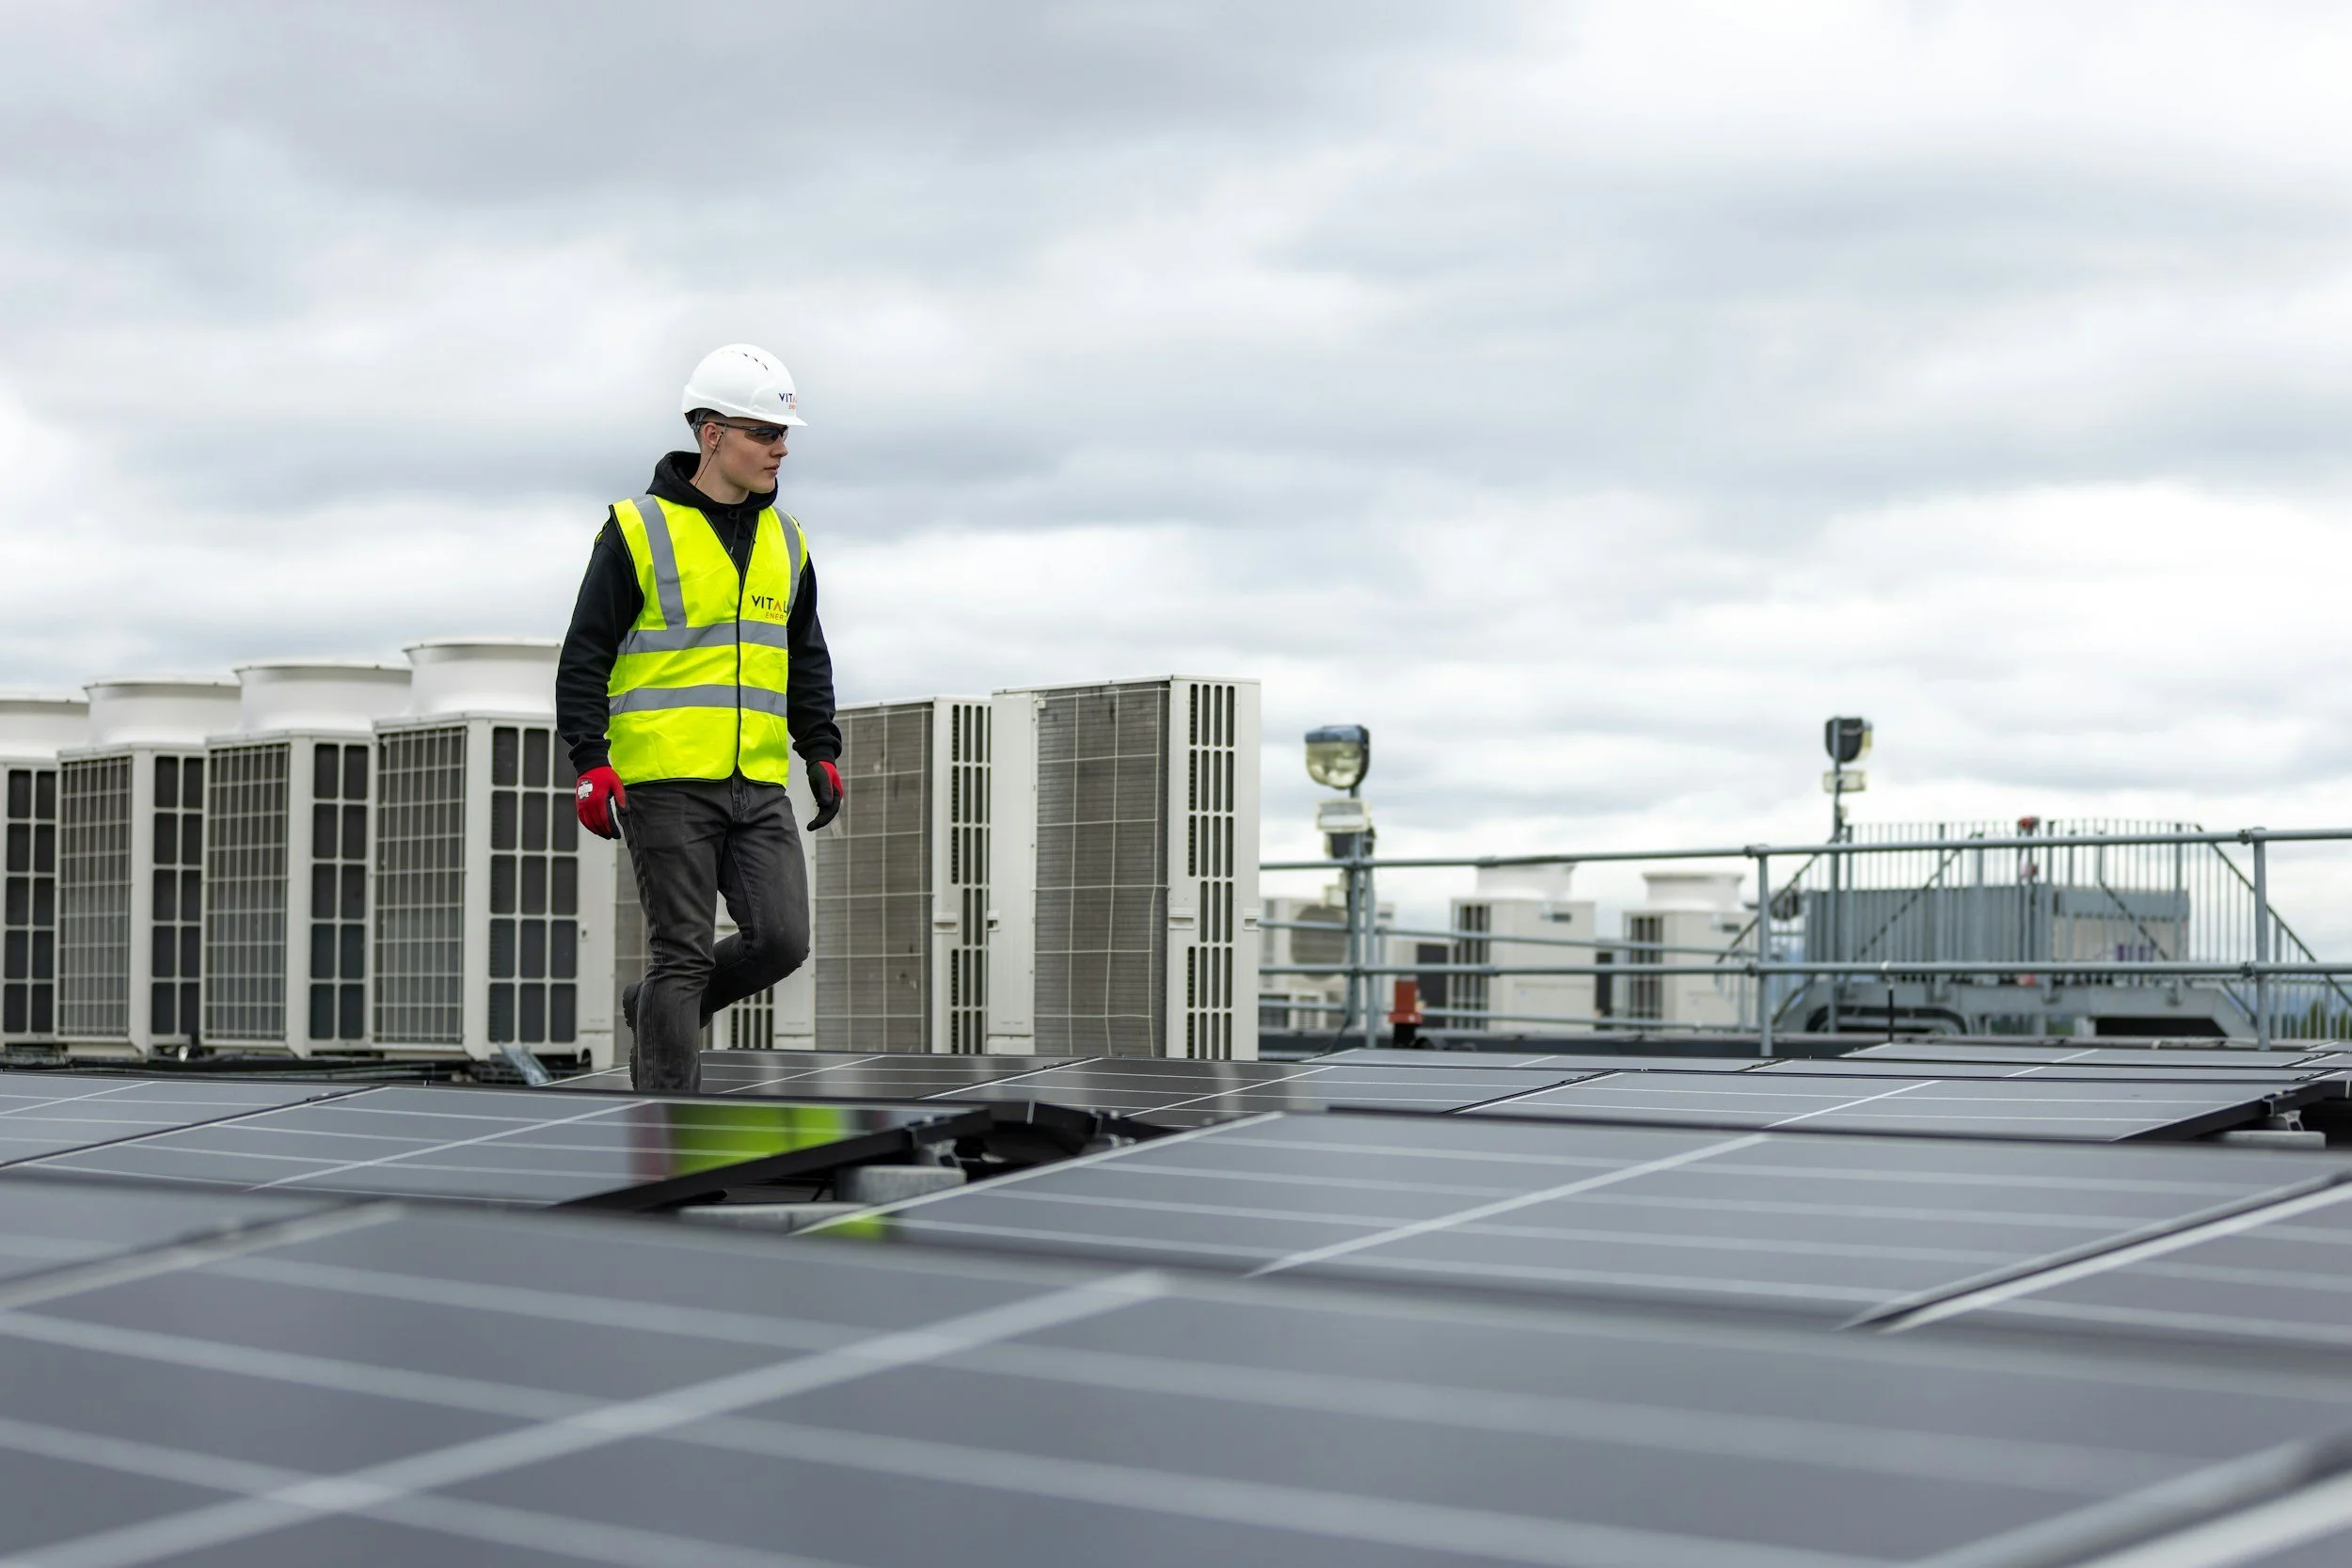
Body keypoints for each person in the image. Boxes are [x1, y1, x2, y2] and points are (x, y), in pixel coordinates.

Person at [557, 343, 844, 1093]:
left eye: (785, 435)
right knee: (680, 955)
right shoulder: (636, 531)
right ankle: (664, 1136)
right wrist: (590, 762)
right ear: (711, 433)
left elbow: (804, 650)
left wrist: (820, 745)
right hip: (665, 780)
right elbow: (583, 656)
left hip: (757, 780)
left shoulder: (789, 540)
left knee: (782, 940)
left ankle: (653, 1010)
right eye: (764, 433)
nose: (781, 449)